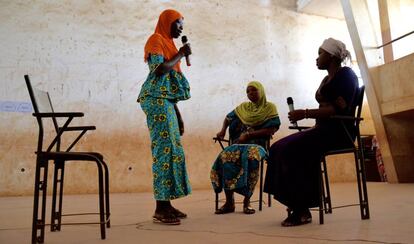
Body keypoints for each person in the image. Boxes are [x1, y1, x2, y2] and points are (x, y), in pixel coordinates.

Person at [264, 38, 358, 226]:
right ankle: (293, 203)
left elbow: (338, 110)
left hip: (338, 133)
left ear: (331, 56)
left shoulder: (347, 75)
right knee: (276, 148)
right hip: (322, 130)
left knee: (292, 150)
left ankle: (302, 209)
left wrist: (305, 113)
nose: (317, 58)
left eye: (320, 53)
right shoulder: (326, 79)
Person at [137, 9, 192, 225]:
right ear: (167, 22)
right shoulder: (156, 40)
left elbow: (168, 89)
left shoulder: (167, 43)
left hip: (165, 101)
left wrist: (177, 114)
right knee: (164, 150)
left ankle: (167, 204)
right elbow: (159, 70)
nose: (181, 28)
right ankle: (160, 207)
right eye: (178, 23)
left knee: (173, 150)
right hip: (154, 99)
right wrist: (180, 53)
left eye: (182, 25)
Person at [211, 81, 281, 214]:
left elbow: (271, 129)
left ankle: (246, 202)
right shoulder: (243, 107)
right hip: (238, 144)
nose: (251, 93)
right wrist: (222, 131)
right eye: (248, 91)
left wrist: (248, 135)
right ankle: (229, 202)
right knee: (225, 157)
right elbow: (228, 118)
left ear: (261, 90)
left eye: (254, 90)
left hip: (257, 145)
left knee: (251, 158)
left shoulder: (269, 107)